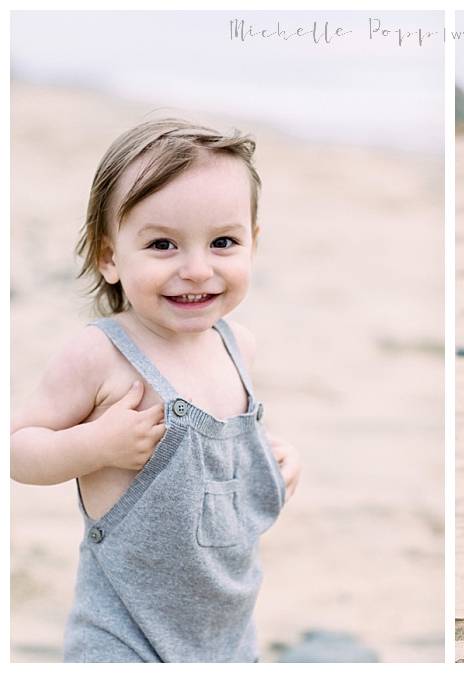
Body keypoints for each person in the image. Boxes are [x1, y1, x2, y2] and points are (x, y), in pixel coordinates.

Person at [10, 118, 301, 662]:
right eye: (163, 244)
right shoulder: (102, 354)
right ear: (109, 257)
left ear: (252, 245)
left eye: (223, 242)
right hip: (123, 635)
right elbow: (19, 449)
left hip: (227, 633)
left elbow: (220, 469)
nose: (196, 269)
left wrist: (274, 460)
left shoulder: (238, 347)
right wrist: (95, 447)